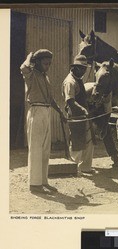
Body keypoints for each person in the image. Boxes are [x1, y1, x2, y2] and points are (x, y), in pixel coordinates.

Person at [20, 49, 66, 193]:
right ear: (37, 62)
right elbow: (23, 67)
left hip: (46, 111)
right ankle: (34, 184)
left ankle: (43, 181)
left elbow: (50, 98)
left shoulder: (45, 77)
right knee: (36, 148)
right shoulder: (31, 74)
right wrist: (30, 56)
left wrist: (59, 112)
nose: (48, 66)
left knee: (46, 149)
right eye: (45, 63)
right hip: (36, 111)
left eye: (49, 64)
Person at [62, 54, 96, 175]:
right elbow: (70, 101)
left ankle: (85, 167)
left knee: (89, 141)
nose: (83, 71)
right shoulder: (70, 82)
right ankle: (73, 169)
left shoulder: (79, 79)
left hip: (84, 115)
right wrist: (83, 110)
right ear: (74, 67)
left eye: (85, 68)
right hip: (75, 116)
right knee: (77, 142)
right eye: (81, 68)